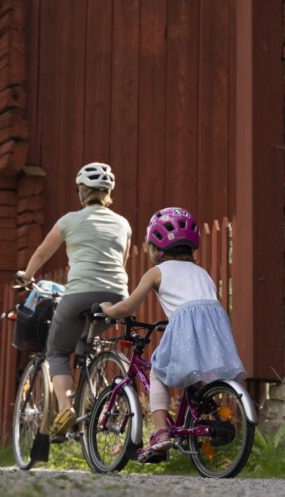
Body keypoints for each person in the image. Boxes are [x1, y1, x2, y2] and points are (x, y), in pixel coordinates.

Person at [100, 206, 246, 462]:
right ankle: (204, 410)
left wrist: (109, 309)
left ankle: (160, 433)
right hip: (214, 325)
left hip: (184, 324)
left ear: (156, 249)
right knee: (198, 372)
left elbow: (129, 306)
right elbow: (207, 306)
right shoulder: (203, 273)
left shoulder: (157, 272)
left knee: (157, 372)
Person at [17, 162, 132, 438]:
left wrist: (27, 275)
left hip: (80, 293)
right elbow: (123, 262)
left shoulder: (69, 220)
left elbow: (43, 253)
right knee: (85, 340)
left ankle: (67, 407)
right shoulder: (123, 223)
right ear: (107, 192)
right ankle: (91, 390)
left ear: (82, 191)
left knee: (57, 351)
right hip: (117, 296)